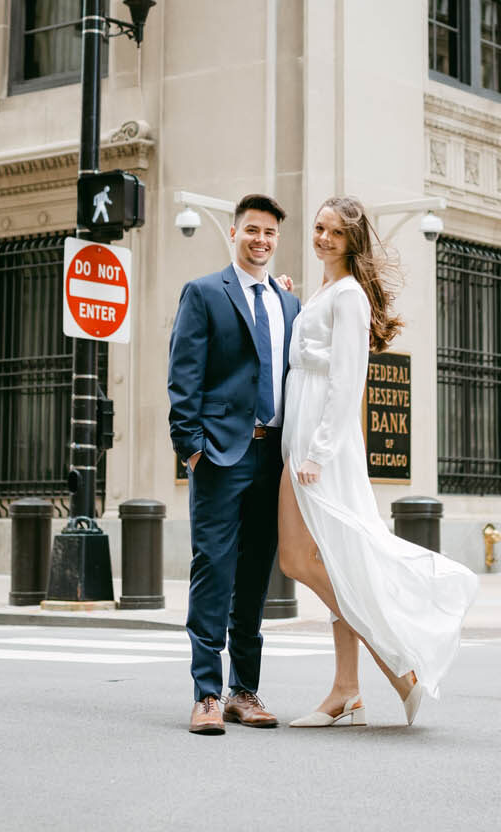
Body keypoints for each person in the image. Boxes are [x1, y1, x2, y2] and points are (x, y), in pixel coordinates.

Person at [276, 196, 479, 728]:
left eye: (335, 234)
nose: (322, 238)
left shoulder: (349, 296)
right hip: (301, 444)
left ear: (352, 242)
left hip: (321, 450)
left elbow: (347, 381)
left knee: (301, 560)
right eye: (319, 227)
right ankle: (347, 689)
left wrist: (318, 453)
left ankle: (395, 666)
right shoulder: (326, 292)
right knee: (332, 562)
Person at [166, 194, 301, 735]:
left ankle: (244, 691)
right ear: (234, 234)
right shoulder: (203, 293)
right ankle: (205, 693)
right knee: (213, 570)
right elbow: (183, 377)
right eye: (252, 230)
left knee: (253, 577)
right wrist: (192, 449)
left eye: (269, 233)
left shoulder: (289, 304)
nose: (261, 240)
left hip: (274, 455)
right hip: (221, 454)